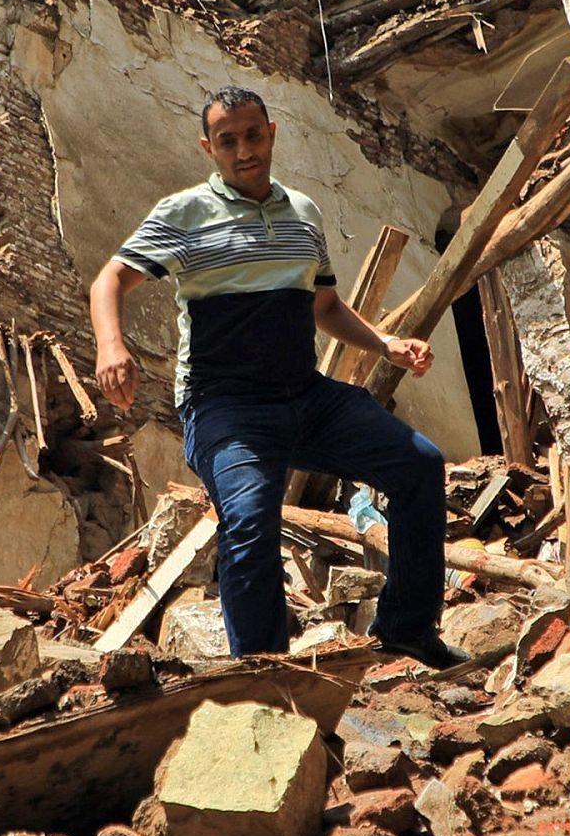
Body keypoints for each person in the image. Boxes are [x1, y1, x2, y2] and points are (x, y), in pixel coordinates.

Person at [89, 85, 461, 665]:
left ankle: (408, 629)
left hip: (305, 397)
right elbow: (109, 279)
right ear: (208, 146)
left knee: (419, 464)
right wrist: (112, 346)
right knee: (249, 523)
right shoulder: (184, 214)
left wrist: (385, 343)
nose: (244, 151)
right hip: (225, 407)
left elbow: (325, 306)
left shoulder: (303, 213)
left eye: (253, 136)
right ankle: (267, 673)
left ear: (271, 135)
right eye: (228, 141)